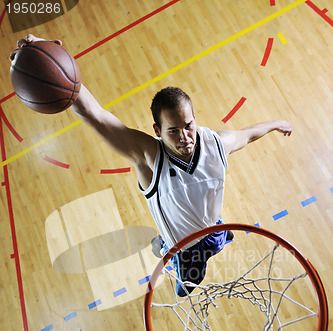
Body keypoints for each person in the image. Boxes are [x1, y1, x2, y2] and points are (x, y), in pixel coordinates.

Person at [11, 35, 293, 296]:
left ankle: (199, 237)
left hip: (213, 228)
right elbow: (93, 114)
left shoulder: (217, 142)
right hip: (186, 251)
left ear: (195, 117)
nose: (185, 137)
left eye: (189, 125)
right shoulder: (148, 157)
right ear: (158, 130)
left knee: (217, 235)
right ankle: (169, 249)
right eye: (173, 131)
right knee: (185, 289)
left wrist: (277, 124)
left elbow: (248, 134)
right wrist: (52, 58)